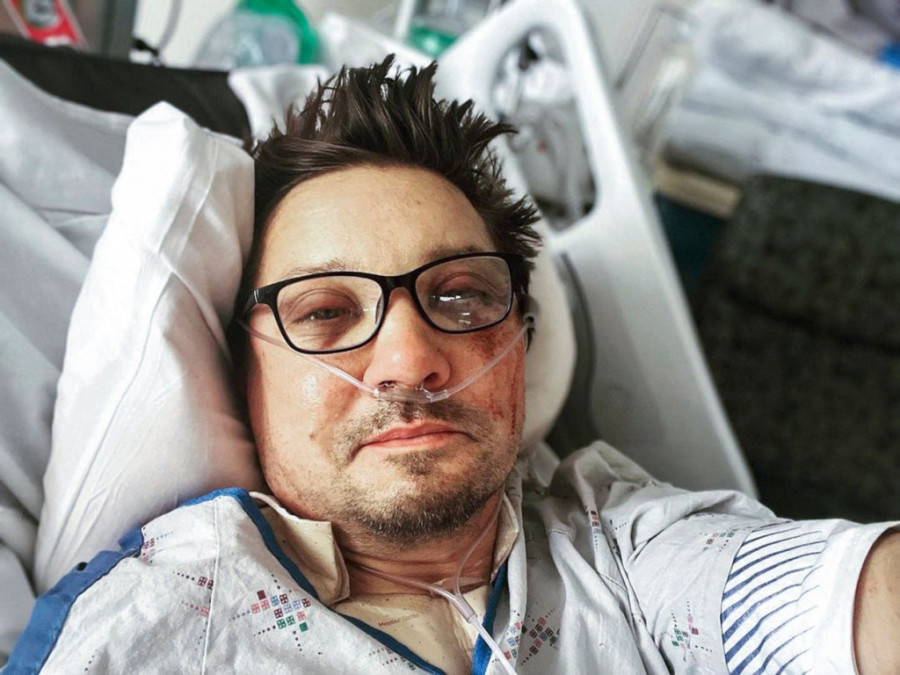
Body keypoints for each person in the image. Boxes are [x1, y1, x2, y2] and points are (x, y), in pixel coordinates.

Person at [7, 56, 899, 674]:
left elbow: (819, 598)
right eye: (326, 312)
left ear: (519, 345)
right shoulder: (153, 622)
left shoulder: (619, 551)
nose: (409, 359)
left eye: (463, 297)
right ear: (248, 371)